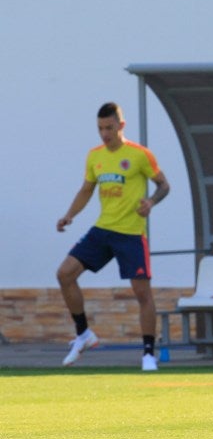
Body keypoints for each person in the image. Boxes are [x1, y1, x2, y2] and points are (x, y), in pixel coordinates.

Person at [56, 102, 170, 371]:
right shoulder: (94, 156)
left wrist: (151, 202)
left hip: (131, 234)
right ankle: (84, 334)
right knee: (64, 274)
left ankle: (148, 354)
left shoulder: (140, 155)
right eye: (100, 129)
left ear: (121, 125)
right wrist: (69, 215)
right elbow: (86, 190)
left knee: (142, 294)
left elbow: (164, 185)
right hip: (103, 230)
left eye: (109, 128)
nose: (105, 134)